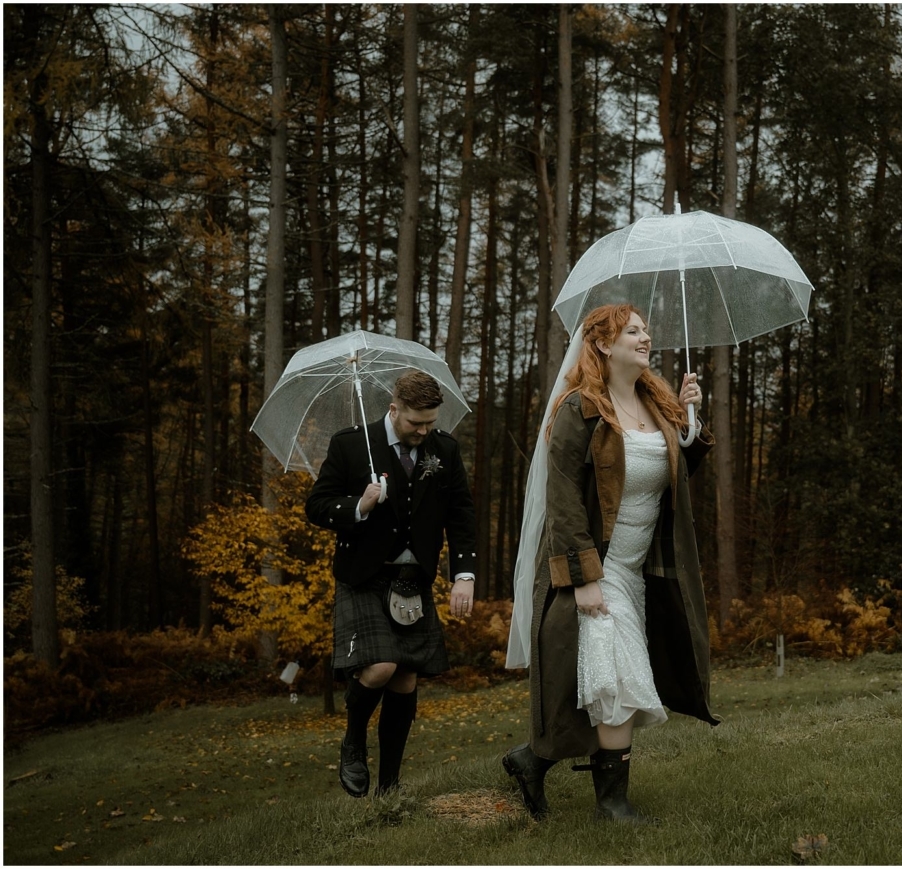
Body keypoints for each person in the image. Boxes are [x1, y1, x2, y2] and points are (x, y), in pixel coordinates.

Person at [502, 303, 719, 823]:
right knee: (616, 682)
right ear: (602, 344)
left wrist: (690, 422)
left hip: (639, 569)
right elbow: (563, 502)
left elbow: (673, 476)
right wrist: (582, 579)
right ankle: (612, 804)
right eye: (633, 332)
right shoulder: (580, 409)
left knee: (608, 681)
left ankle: (531, 761)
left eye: (646, 330)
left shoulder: (658, 401)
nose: (646, 338)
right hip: (597, 565)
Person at [305, 369, 477, 798]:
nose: (423, 431)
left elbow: (461, 516)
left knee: (405, 679)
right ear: (393, 408)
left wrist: (464, 576)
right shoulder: (350, 444)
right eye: (415, 422)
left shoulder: (445, 450)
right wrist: (358, 506)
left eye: (430, 423)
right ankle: (353, 740)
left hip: (412, 578)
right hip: (363, 575)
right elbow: (317, 506)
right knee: (380, 666)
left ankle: (389, 787)